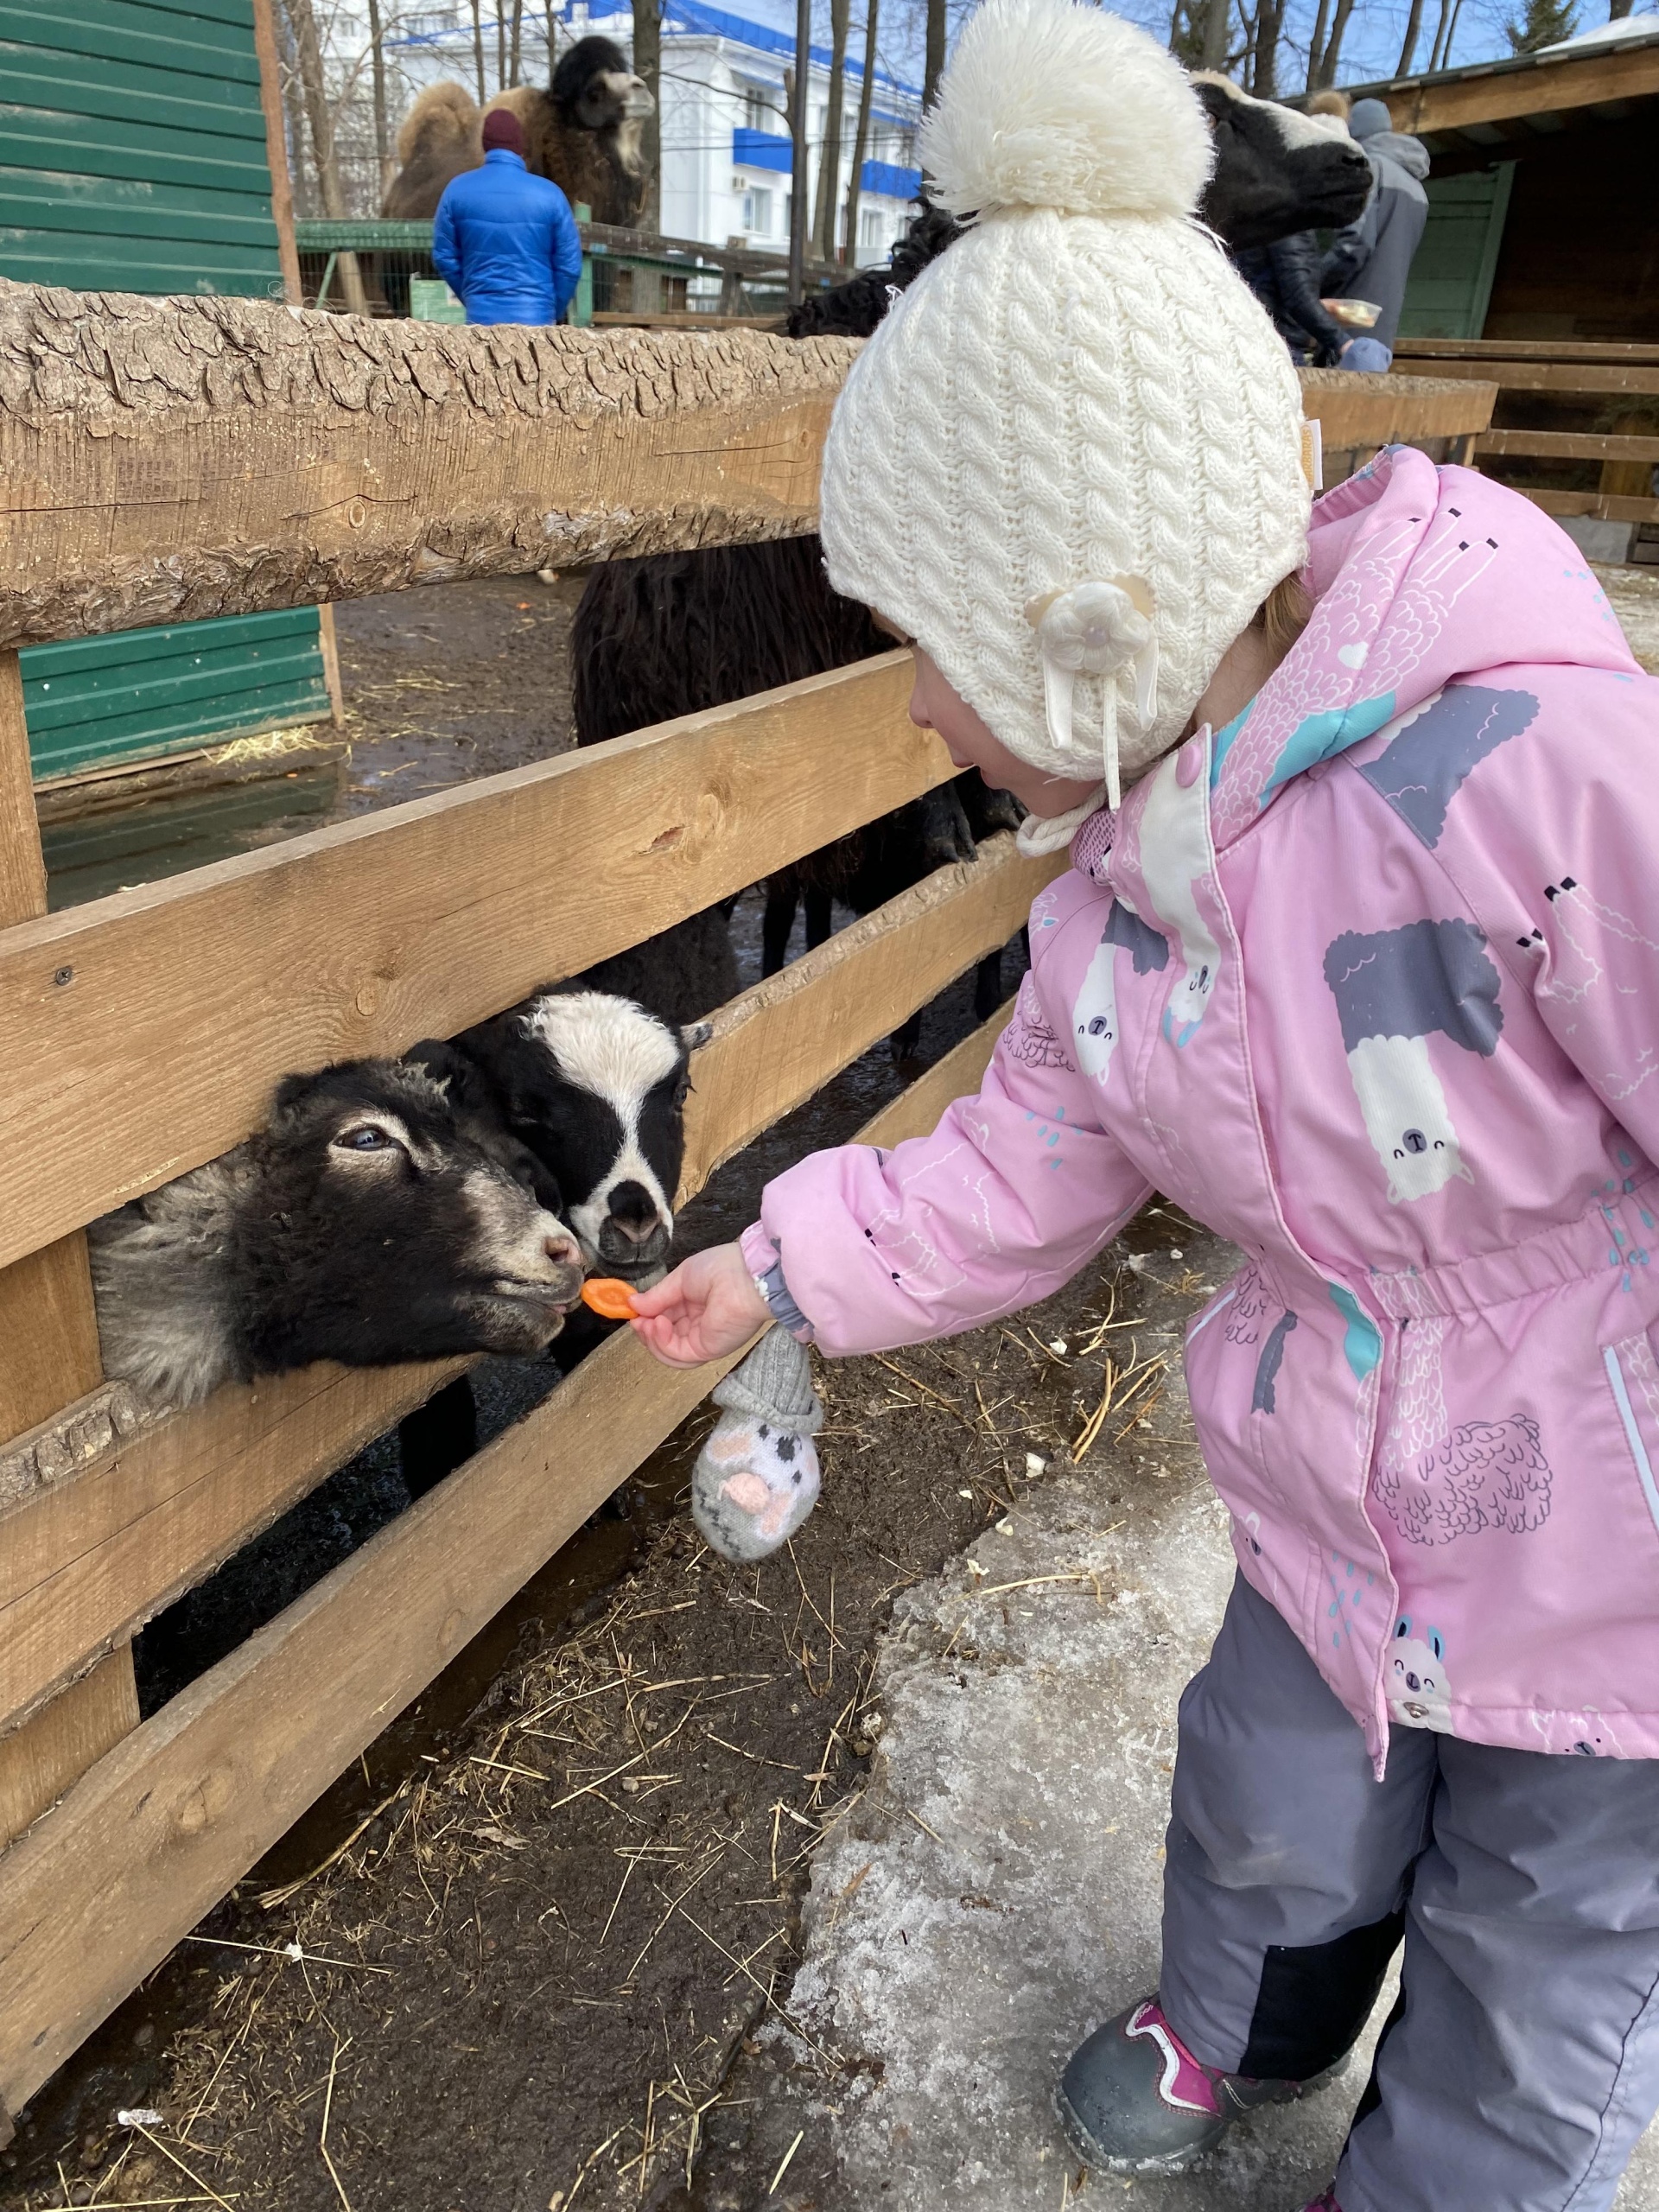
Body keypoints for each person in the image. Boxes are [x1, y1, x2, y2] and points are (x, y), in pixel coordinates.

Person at [627, 1, 1659, 2205]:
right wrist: (784, 1257)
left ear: (1091, 625)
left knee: (1546, 1944)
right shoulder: (1121, 892)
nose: (910, 703)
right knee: (1274, 1789)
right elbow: (1020, 1161)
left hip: (1616, 1548)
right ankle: (1236, 2021)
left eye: (928, 643)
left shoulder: (1543, 785)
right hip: (1320, 1482)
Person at [431, 109, 583, 327]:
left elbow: (444, 256)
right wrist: (551, 309)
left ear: (485, 145)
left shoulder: (456, 191)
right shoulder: (551, 195)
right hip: (537, 320)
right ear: (520, 146)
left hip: (480, 320)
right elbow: (570, 266)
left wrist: (472, 296)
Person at [1324, 96, 1431, 372]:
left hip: (1348, 317)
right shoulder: (1417, 187)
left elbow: (1355, 244)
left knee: (1323, 407)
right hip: (1383, 323)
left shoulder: (1369, 169)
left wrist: (1310, 284)